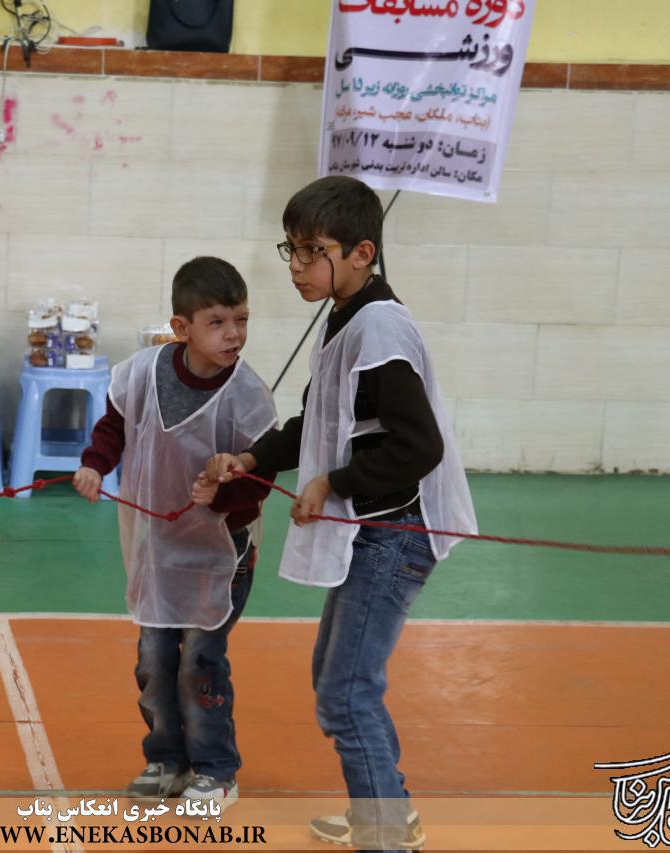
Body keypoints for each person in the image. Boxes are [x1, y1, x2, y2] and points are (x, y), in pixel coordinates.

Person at [203, 176, 477, 851]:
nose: (296, 266)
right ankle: (389, 813)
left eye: (311, 251)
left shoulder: (379, 327)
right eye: (291, 250)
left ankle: (385, 833)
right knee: (339, 680)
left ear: (361, 253)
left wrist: (334, 483)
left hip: (395, 533)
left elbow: (419, 446)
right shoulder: (347, 317)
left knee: (346, 690)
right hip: (374, 531)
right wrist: (253, 458)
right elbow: (319, 422)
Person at [73, 256, 278, 812]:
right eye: (218, 322)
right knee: (154, 661)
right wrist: (94, 464)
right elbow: (113, 426)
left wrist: (225, 495)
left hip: (222, 553)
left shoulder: (248, 395)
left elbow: (261, 478)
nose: (234, 333)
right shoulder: (143, 373)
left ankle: (217, 771)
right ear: (181, 327)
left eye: (241, 319)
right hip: (158, 551)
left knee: (199, 664)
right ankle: (167, 759)